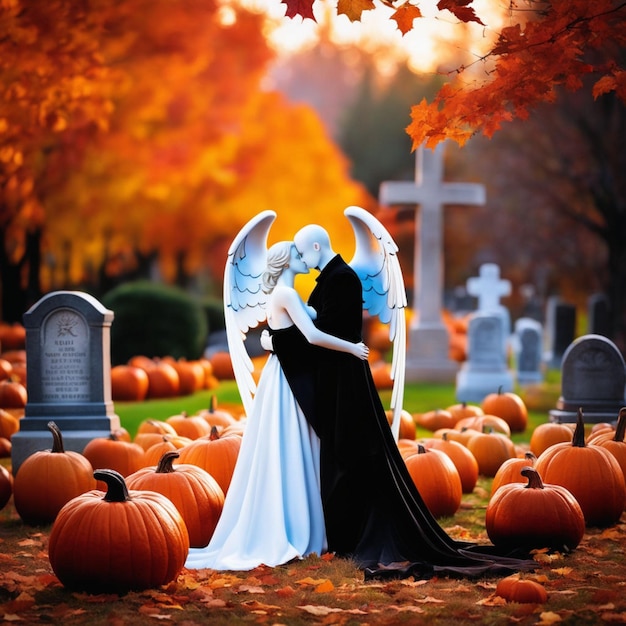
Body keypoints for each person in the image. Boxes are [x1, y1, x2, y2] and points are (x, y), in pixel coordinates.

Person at [270, 224, 536, 580]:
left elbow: (331, 334)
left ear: (318, 246)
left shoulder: (343, 279)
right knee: (341, 456)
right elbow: (309, 332)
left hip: (347, 383)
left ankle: (359, 533)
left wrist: (282, 343)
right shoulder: (328, 280)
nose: (302, 260)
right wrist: (279, 340)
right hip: (334, 380)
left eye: (304, 252)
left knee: (355, 455)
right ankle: (345, 533)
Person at [184, 241, 369, 571]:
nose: (303, 259)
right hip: (287, 379)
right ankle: (293, 527)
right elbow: (312, 336)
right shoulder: (285, 295)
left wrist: (272, 338)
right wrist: (351, 348)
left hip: (288, 374)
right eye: (297, 256)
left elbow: (306, 326)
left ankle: (310, 524)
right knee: (290, 444)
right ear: (285, 263)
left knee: (299, 445)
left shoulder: (290, 296)